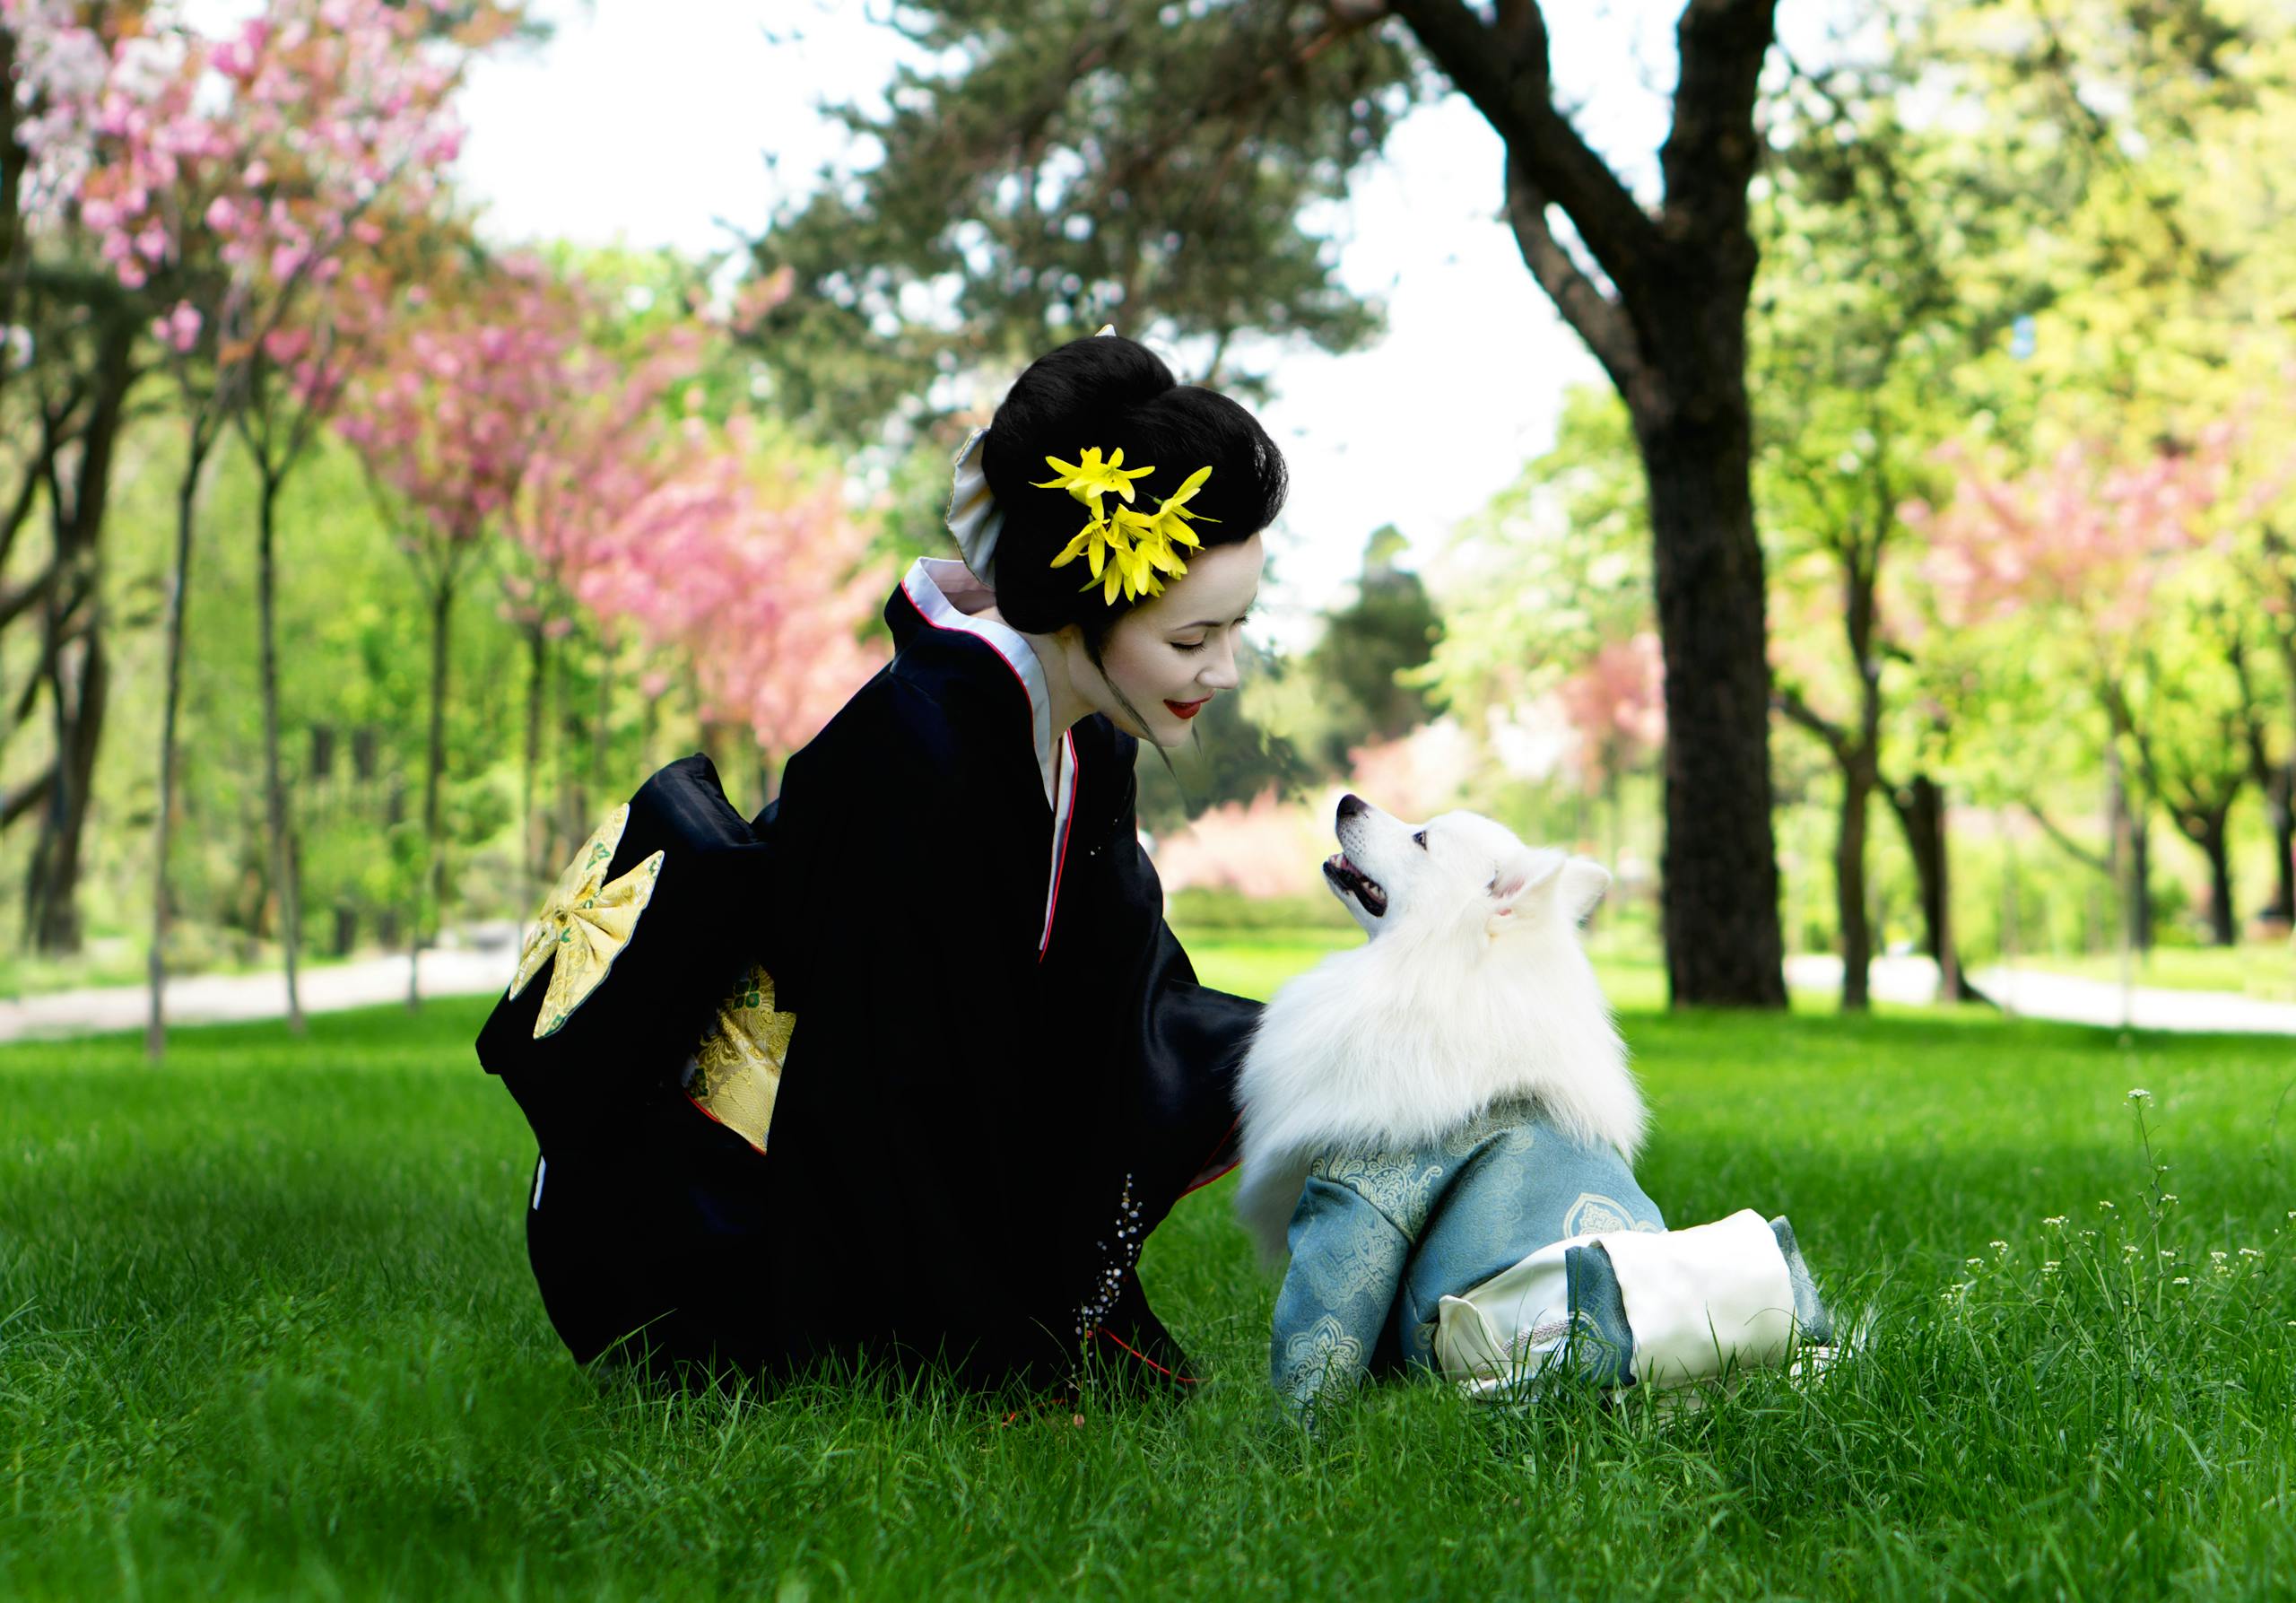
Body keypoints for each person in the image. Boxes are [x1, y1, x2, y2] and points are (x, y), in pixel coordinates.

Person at [478, 333, 1283, 1397]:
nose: (1219, 671)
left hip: (871, 1143)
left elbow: (1116, 998)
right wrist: (997, 1362)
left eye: (1234, 630)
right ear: (1081, 595)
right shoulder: (918, 752)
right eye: (1191, 640)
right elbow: (887, 1090)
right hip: (709, 1220)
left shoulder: (1083, 736)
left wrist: (1311, 1052)